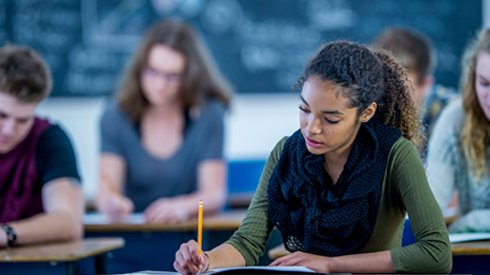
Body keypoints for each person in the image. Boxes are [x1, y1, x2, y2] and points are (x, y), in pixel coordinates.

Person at [174, 41, 452, 274]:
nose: (312, 127)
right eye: (305, 110)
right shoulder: (285, 153)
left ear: (365, 113)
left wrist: (331, 265)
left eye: (331, 119)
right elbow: (248, 243)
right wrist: (205, 260)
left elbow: (437, 253)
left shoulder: (395, 154)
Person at [96, 20, 232, 223]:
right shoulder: (115, 115)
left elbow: (214, 194)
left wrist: (182, 207)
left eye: (173, 76)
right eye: (152, 71)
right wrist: (111, 203)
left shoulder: (209, 114)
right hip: (132, 235)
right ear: (139, 68)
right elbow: (106, 193)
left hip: (190, 235)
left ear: (189, 76)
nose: (160, 84)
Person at [0, 45, 84, 248]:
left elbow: (69, 222)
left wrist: (6, 234)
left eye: (23, 120)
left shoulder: (50, 140)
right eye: (2, 116)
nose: (9, 130)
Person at [427, 28, 490, 233]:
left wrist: (469, 223)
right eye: (484, 83)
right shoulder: (455, 119)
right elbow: (428, 207)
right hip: (477, 257)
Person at [373, 27, 459, 141]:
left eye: (399, 91)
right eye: (381, 86)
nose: (385, 99)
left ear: (426, 84)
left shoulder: (457, 115)